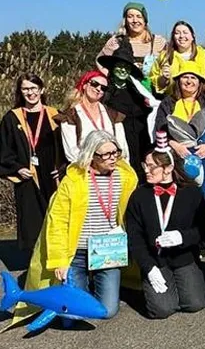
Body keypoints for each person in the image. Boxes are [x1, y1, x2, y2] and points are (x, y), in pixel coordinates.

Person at [11, 131, 138, 324]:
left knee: (107, 311)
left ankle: (90, 289)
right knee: (73, 314)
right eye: (106, 154)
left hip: (108, 250)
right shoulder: (73, 181)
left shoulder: (126, 178)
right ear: (92, 155)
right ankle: (77, 289)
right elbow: (58, 222)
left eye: (115, 152)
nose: (113, 158)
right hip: (77, 252)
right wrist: (60, 261)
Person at [125, 132, 205, 319]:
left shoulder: (191, 192)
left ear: (169, 167)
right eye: (145, 165)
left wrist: (183, 237)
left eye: (151, 166)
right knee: (162, 310)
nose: (146, 170)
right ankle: (162, 288)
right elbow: (134, 236)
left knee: (195, 303)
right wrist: (148, 267)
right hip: (155, 259)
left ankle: (182, 283)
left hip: (183, 257)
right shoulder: (139, 196)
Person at [0, 74, 64, 251]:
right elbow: (4, 150)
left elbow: (68, 147)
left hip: (53, 178)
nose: (30, 93)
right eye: (25, 89)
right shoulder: (12, 118)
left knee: (56, 222)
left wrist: (62, 168)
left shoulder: (55, 115)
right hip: (27, 179)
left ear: (41, 90)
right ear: (20, 92)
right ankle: (33, 264)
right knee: (32, 226)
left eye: (34, 88)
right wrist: (17, 168)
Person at [155, 60, 205, 197]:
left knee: (204, 195)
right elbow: (160, 128)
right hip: (177, 156)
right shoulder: (168, 102)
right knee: (179, 194)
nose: (189, 81)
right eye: (185, 77)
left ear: (200, 82)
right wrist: (174, 145)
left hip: (204, 154)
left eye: (193, 77)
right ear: (178, 80)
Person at [98, 38, 159, 177]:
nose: (122, 70)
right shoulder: (105, 91)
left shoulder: (139, 90)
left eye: (126, 67)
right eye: (119, 66)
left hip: (141, 141)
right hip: (118, 144)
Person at [57, 70, 130, 165]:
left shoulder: (113, 114)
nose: (98, 89)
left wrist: (120, 166)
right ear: (84, 85)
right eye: (94, 84)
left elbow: (122, 146)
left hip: (113, 166)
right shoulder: (71, 115)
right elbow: (71, 151)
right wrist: (93, 166)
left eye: (103, 88)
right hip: (84, 167)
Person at [96, 2, 167, 85]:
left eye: (139, 16)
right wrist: (110, 76)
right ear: (125, 20)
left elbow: (168, 65)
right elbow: (99, 60)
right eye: (130, 16)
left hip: (152, 90)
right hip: (126, 90)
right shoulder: (117, 41)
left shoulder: (158, 41)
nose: (135, 20)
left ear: (145, 20)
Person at [149, 21, 205, 97]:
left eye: (185, 32)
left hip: (200, 99)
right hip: (172, 99)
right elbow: (153, 82)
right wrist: (163, 78)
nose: (181, 36)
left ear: (193, 36)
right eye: (177, 33)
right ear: (173, 37)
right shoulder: (164, 56)